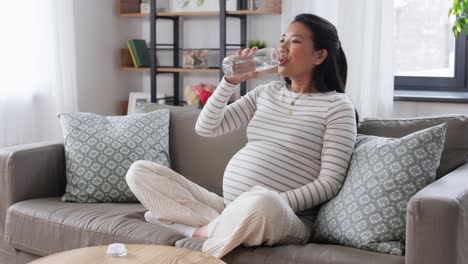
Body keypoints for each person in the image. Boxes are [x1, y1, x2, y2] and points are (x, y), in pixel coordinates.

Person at [125, 13, 358, 258]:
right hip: (229, 206)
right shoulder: (267, 92)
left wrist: (268, 200)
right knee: (139, 172)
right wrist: (229, 81)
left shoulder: (337, 107)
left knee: (263, 201)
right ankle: (222, 225)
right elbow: (207, 127)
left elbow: (328, 183)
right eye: (282, 40)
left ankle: (194, 231)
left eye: (295, 41)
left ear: (319, 55)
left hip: (282, 216)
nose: (282, 48)